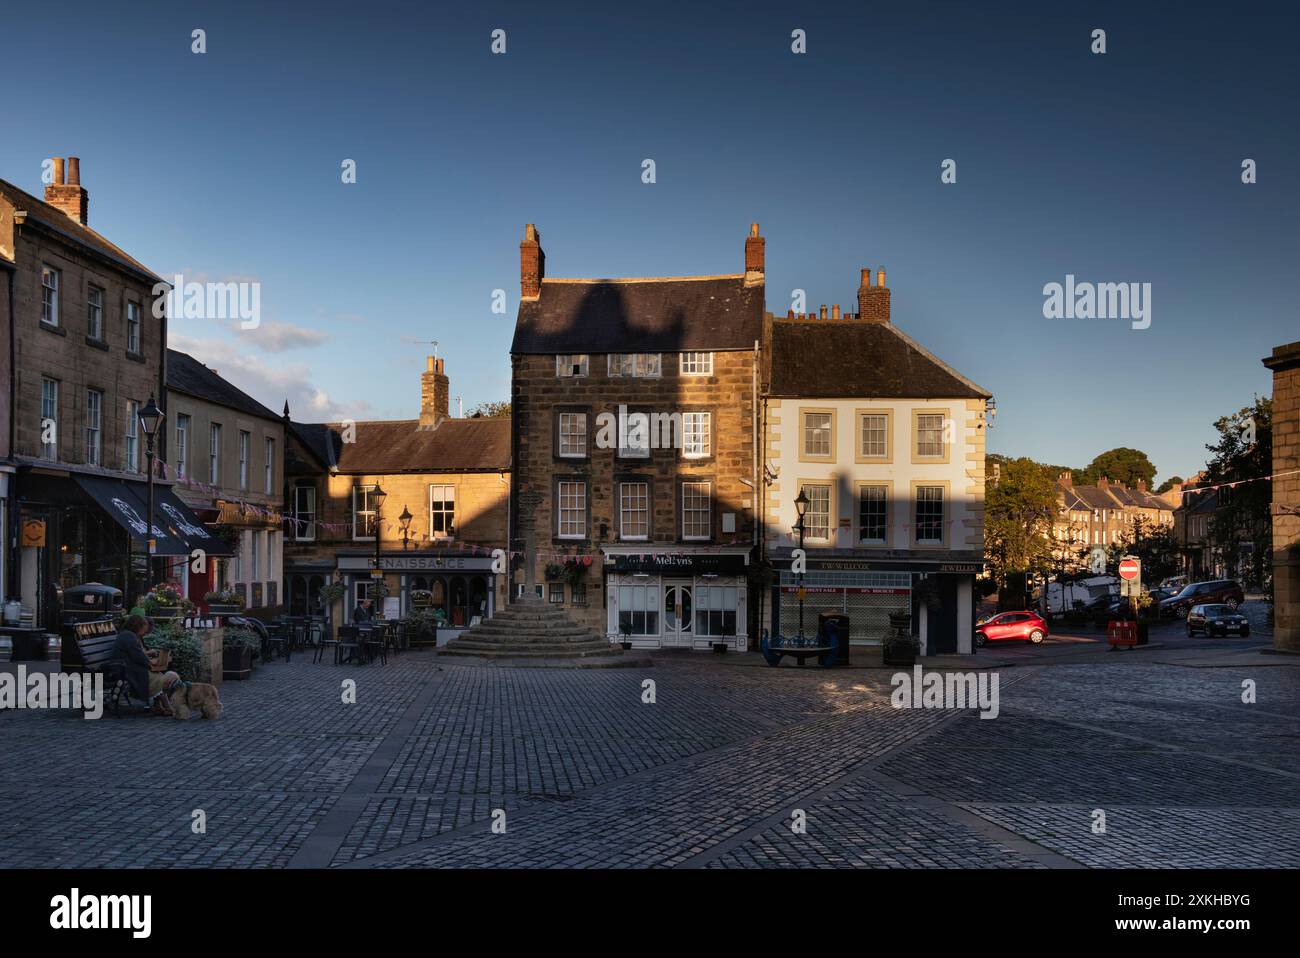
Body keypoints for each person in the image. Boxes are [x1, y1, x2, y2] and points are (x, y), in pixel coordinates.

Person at [112, 615, 173, 715]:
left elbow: (138, 654)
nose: (145, 631)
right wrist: (150, 663)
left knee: (159, 676)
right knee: (159, 679)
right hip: (125, 669)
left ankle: (159, 707)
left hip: (128, 666)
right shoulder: (128, 636)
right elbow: (137, 656)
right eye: (144, 628)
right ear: (137, 626)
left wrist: (149, 662)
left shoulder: (128, 635)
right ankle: (168, 707)